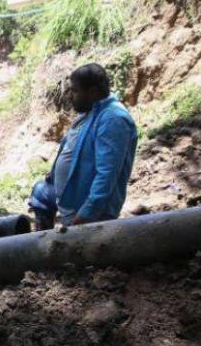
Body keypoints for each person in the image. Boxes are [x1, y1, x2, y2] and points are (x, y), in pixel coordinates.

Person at [28, 63, 138, 229]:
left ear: (92, 92)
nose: (70, 96)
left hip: (86, 205)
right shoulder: (89, 112)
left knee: (75, 247)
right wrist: (55, 170)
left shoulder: (113, 119)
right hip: (72, 193)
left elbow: (107, 175)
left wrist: (86, 213)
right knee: (41, 192)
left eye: (75, 91)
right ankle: (43, 243)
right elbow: (72, 146)